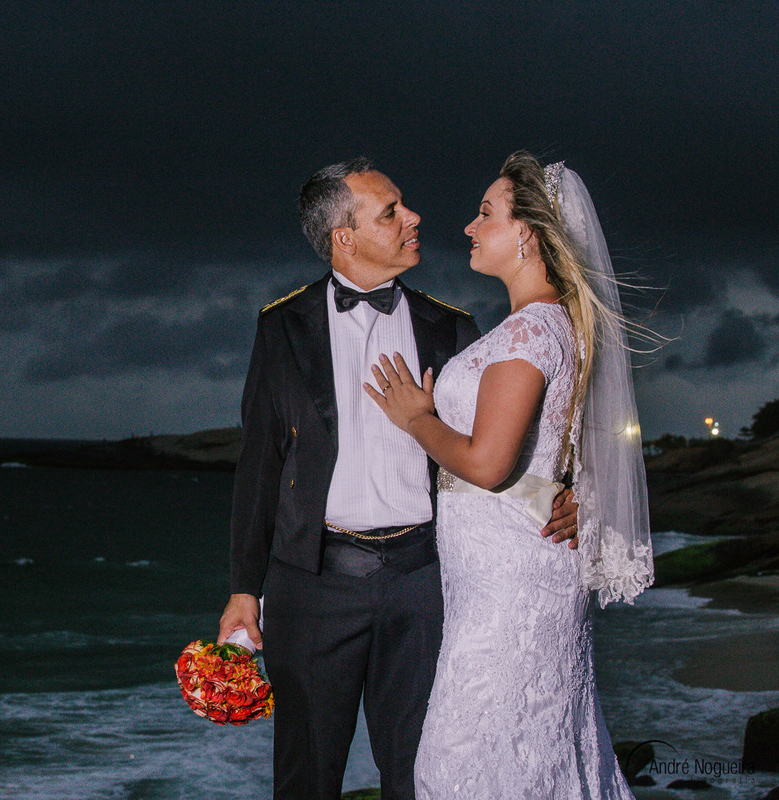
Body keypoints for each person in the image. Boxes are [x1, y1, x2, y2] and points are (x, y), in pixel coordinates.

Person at [217, 157, 580, 800]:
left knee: (421, 774)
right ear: (344, 237)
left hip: (428, 581)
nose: (414, 218)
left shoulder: (452, 325)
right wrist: (244, 589)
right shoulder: (281, 327)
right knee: (306, 776)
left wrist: (573, 489)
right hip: (313, 582)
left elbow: (525, 423)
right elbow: (260, 465)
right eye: (391, 212)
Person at [366, 152, 654, 798]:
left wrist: (417, 418)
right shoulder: (548, 327)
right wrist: (585, 493)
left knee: (465, 761)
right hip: (497, 582)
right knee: (525, 751)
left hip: (512, 590)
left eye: (486, 213)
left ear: (526, 232)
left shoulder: (531, 332)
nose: (470, 226)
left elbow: (488, 463)